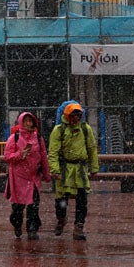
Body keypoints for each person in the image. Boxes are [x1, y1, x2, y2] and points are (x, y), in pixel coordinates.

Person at [48, 101, 98, 240]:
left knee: (82, 199)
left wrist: (94, 168)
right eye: (74, 114)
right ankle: (61, 219)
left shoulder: (85, 129)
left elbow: (91, 148)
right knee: (61, 200)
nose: (77, 117)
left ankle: (79, 226)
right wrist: (55, 170)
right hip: (64, 170)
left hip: (80, 170)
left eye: (79, 114)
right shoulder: (59, 130)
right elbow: (53, 151)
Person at [3, 112, 50, 240]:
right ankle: (17, 224)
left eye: (31, 121)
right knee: (18, 207)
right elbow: (7, 156)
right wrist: (20, 154)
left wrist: (47, 174)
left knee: (34, 205)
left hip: (33, 178)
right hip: (18, 179)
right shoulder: (14, 138)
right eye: (26, 121)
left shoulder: (38, 138)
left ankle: (32, 229)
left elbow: (43, 158)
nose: (29, 124)